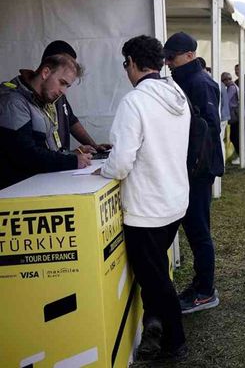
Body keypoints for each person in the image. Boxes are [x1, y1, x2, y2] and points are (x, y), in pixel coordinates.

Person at [99, 35, 190, 361]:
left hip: (146, 207)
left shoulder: (134, 101)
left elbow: (121, 162)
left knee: (154, 279)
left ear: (134, 63)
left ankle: (174, 341)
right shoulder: (176, 93)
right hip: (174, 198)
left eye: (126, 64)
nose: (126, 71)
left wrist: (103, 171)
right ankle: (155, 324)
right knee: (156, 273)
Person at [164, 31, 223, 314]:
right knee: (195, 229)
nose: (169, 63)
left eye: (172, 58)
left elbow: (209, 130)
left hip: (197, 171)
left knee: (199, 232)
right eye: (166, 58)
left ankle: (205, 291)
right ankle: (201, 284)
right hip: (190, 169)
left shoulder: (200, 83)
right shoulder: (188, 79)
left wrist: (193, 167)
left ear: (189, 55)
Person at [0, 53, 91, 189]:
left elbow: (44, 150)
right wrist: (72, 161)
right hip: (14, 196)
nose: (63, 92)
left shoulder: (40, 100)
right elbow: (26, 156)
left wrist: (71, 154)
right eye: (62, 83)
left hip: (33, 189)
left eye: (67, 86)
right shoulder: (13, 101)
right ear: (45, 72)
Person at [42, 40, 111, 154]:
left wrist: (93, 146)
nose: (63, 91)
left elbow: (72, 121)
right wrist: (73, 154)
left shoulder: (58, 94)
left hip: (59, 165)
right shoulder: (23, 99)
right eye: (62, 82)